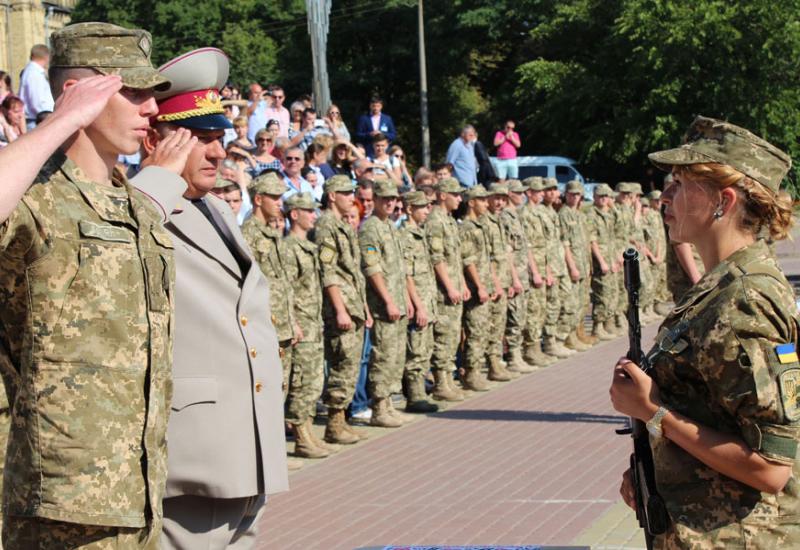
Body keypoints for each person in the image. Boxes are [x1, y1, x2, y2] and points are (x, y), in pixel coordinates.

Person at [0, 21, 192, 549]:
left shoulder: (130, 202)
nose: (151, 109)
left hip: (138, 488)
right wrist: (59, 125)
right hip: (63, 500)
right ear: (77, 94)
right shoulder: (35, 195)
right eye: (131, 93)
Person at [610, 115, 799, 548]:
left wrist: (654, 411)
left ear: (723, 200)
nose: (665, 195)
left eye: (679, 182)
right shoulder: (720, 286)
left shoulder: (745, 299)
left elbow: (770, 468)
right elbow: (713, 412)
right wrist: (655, 471)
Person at [138, 48, 288, 550]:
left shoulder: (214, 210)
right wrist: (155, 178)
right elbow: (124, 250)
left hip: (245, 449)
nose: (219, 152)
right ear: (155, 142)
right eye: (200, 140)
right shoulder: (138, 207)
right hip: (194, 457)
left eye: (220, 138)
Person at [314, 175, 373, 444]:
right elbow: (328, 272)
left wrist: (363, 307)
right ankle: (334, 424)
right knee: (343, 363)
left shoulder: (343, 226)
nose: (352, 197)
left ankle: (342, 420)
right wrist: (340, 309)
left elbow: (353, 273)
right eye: (346, 192)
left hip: (354, 305)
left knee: (350, 365)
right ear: (332, 195)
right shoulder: (326, 227)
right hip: (342, 307)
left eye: (353, 192)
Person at [283, 192, 337, 458]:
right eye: (309, 211)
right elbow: (286, 290)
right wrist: (292, 322)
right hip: (301, 324)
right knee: (302, 380)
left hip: (314, 322)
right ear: (295, 214)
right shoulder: (289, 247)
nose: (314, 215)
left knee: (315, 379)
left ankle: (308, 430)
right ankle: (301, 435)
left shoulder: (310, 246)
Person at [359, 180, 412, 427]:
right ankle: (379, 407)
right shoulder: (370, 228)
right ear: (375, 200)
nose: (390, 203)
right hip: (384, 305)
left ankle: (388, 402)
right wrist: (389, 301)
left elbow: (400, 269)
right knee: (383, 355)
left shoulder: (391, 227)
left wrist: (406, 300)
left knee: (396, 355)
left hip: (399, 302)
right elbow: (372, 269)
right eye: (385, 199)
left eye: (393, 199)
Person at [425, 177, 468, 400]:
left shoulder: (449, 221)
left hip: (454, 286)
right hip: (443, 291)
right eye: (456, 194)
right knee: (443, 335)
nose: (460, 199)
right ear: (442, 195)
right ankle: (441, 382)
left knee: (452, 336)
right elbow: (437, 258)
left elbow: (455, 258)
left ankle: (448, 379)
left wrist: (461, 282)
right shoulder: (435, 221)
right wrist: (450, 286)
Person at [398, 191, 440, 413]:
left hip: (428, 297)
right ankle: (414, 395)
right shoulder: (405, 236)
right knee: (416, 350)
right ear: (409, 209)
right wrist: (418, 304)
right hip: (419, 300)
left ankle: (421, 390)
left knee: (425, 349)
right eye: (422, 206)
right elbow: (407, 275)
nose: (427, 210)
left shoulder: (419, 233)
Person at [459, 185, 495, 391]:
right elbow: (468, 260)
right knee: (475, 331)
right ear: (471, 202)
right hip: (475, 289)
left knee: (482, 330)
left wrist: (492, 283)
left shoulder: (479, 226)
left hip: (484, 285)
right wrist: (480, 286)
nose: (485, 203)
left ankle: (477, 370)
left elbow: (485, 259)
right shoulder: (466, 227)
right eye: (481, 200)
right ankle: (471, 372)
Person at [501, 180, 538, 372]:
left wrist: (533, 271)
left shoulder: (516, 215)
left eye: (523, 192)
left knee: (522, 315)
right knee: (515, 317)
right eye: (518, 192)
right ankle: (513, 356)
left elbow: (525, 248)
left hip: (523, 273)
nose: (522, 195)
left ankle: (519, 353)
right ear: (509, 194)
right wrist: (514, 278)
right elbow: (508, 252)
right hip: (514, 274)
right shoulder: (505, 217)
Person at [520, 177, 556, 366]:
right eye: (538, 191)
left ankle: (539, 347)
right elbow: (528, 247)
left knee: (542, 309)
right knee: (533, 311)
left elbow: (545, 247)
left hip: (543, 267)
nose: (542, 193)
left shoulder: (539, 213)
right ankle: (531, 349)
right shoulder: (525, 215)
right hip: (534, 269)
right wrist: (535, 272)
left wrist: (547, 270)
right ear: (529, 193)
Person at [585, 183, 619, 341]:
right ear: (594, 197)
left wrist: (616, 257)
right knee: (602, 294)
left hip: (611, 257)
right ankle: (597, 326)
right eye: (601, 196)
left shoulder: (610, 213)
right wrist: (602, 261)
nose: (604, 199)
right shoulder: (592, 214)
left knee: (612, 292)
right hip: (601, 261)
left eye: (607, 196)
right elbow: (592, 241)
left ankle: (607, 323)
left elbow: (616, 235)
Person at [18, 44, 54, 128]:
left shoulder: (34, 72)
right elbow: (37, 102)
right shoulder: (34, 73)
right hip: (38, 120)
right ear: (46, 57)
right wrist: (49, 117)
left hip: (39, 119)